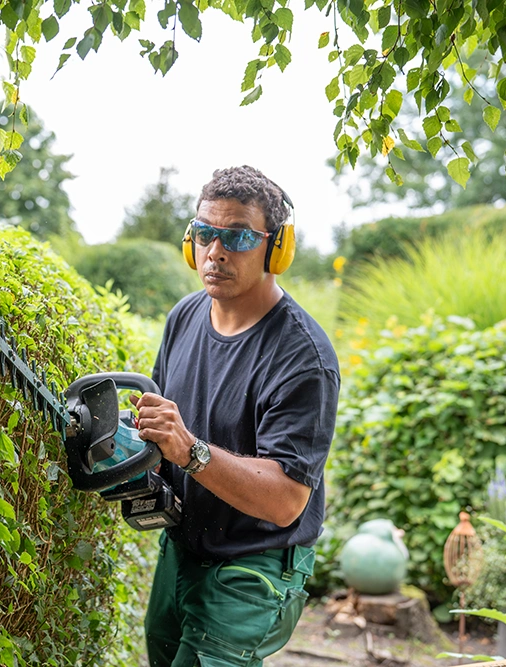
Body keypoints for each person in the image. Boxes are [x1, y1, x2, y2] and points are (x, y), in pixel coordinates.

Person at [131, 165, 340, 667]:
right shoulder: (185, 315)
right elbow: (165, 436)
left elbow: (288, 500)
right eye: (204, 233)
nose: (216, 251)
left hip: (254, 567)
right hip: (181, 547)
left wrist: (189, 451)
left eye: (239, 236)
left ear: (276, 249)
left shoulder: (302, 357)